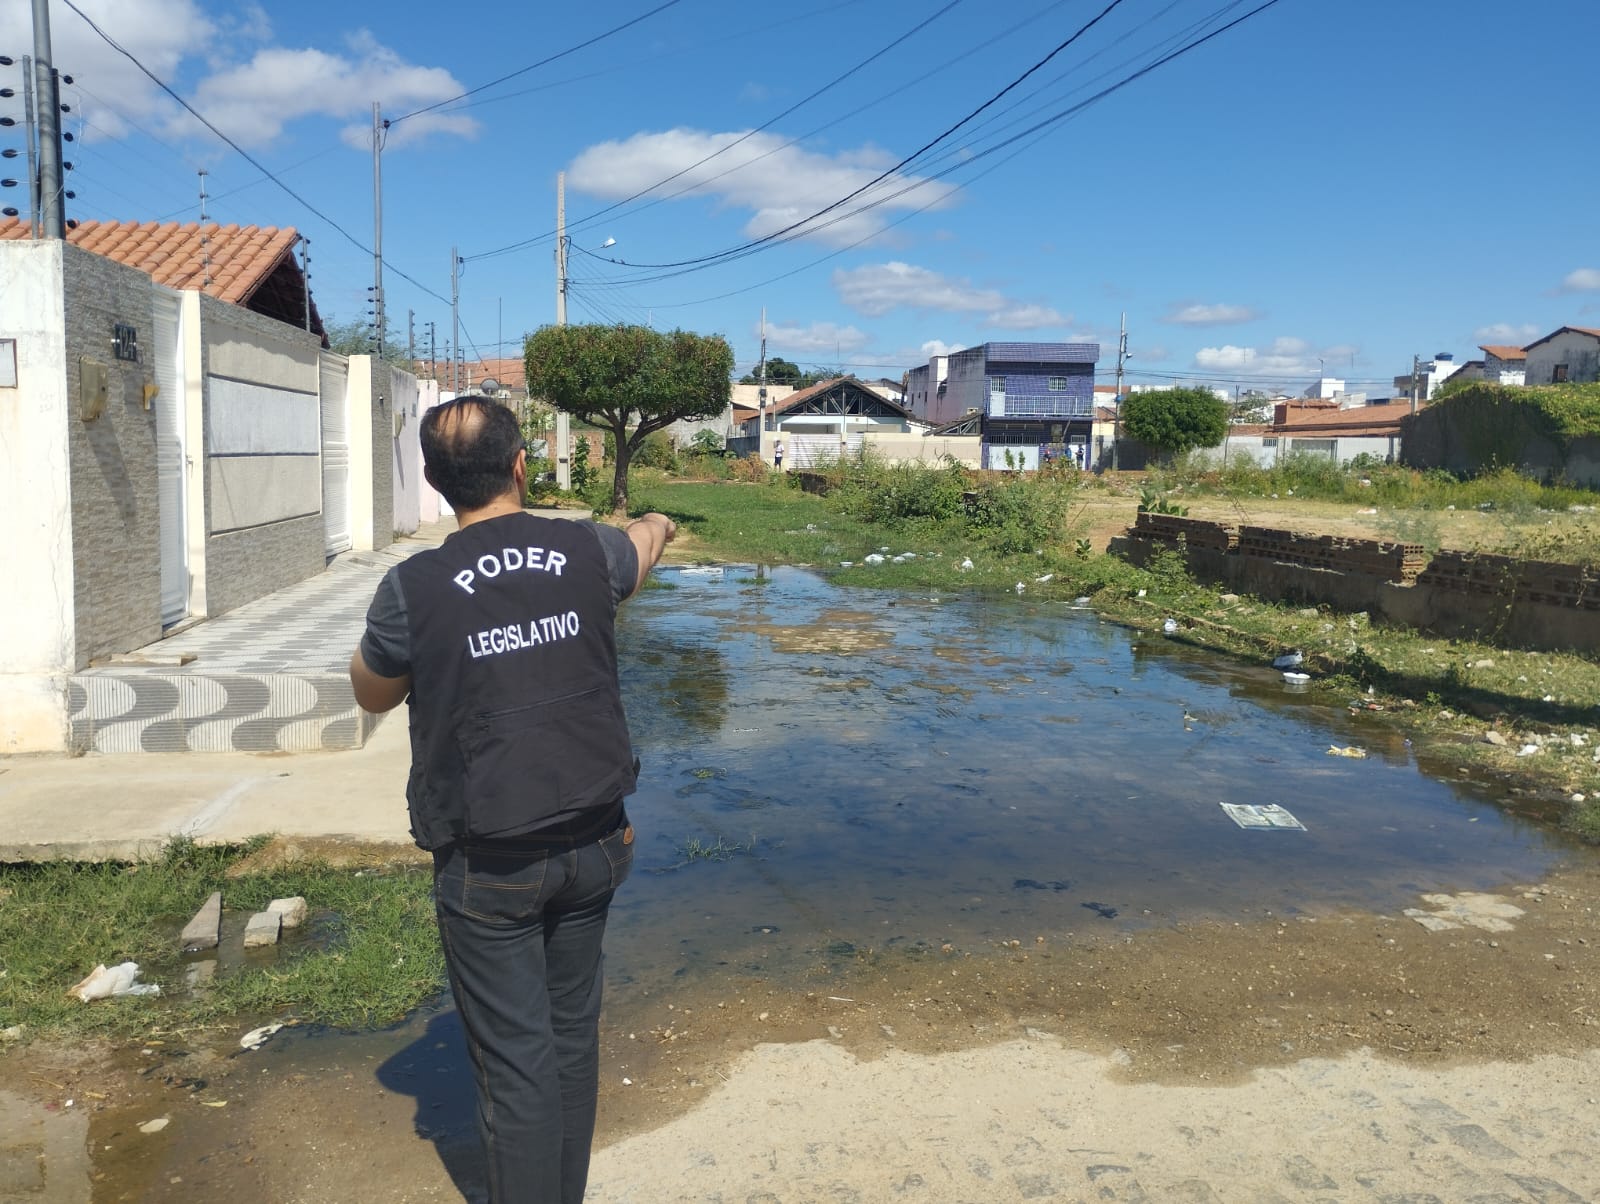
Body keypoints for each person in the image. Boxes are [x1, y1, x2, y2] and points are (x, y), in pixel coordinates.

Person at [349, 395, 675, 1204]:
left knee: (517, 1064)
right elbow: (637, 551)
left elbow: (372, 693)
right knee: (569, 1041)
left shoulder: (412, 587)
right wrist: (660, 521)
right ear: (522, 465)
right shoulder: (583, 550)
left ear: (433, 482)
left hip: (489, 864)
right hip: (597, 844)